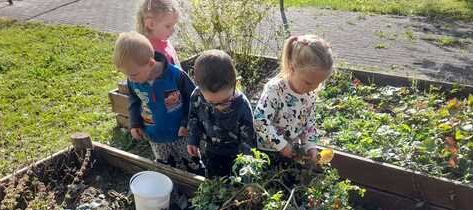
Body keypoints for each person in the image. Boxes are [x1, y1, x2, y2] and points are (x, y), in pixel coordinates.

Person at [113, 32, 200, 172]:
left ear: (151, 63)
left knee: (192, 162)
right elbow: (134, 100)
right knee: (164, 166)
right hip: (155, 135)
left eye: (133, 74)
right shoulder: (134, 80)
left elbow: (194, 100)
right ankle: (173, 186)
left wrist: (186, 123)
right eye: (126, 75)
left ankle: (196, 181)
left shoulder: (176, 76)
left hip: (180, 133)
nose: (130, 79)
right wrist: (135, 123)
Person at [253, 34, 334, 162]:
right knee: (270, 180)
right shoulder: (275, 90)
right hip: (268, 152)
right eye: (308, 82)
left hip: (292, 151)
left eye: (319, 83)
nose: (313, 88)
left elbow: (309, 124)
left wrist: (311, 147)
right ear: (292, 67)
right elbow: (260, 121)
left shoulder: (309, 95)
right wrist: (281, 145)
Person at [187, 50, 256, 178]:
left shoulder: (242, 106)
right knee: (214, 181)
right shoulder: (197, 96)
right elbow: (193, 119)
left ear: (235, 84)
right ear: (200, 89)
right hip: (212, 150)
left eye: (225, 101)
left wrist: (248, 169)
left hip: (237, 154)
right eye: (211, 103)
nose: (219, 107)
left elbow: (248, 142)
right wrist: (193, 139)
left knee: (237, 183)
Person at [136, 0, 181, 66]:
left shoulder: (163, 40)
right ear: (151, 24)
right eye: (168, 26)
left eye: (174, 25)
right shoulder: (149, 53)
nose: (173, 30)